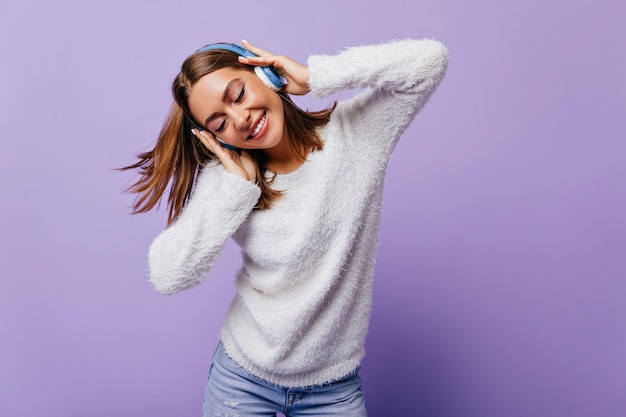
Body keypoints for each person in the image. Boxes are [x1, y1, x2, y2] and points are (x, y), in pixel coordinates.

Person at [123, 38, 448, 416]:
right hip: (242, 381)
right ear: (215, 138)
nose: (240, 118)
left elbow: (430, 61)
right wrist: (234, 194)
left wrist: (315, 77)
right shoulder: (231, 180)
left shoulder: (358, 134)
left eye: (239, 94)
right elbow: (168, 275)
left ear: (264, 73)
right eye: (220, 122)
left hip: (333, 388)